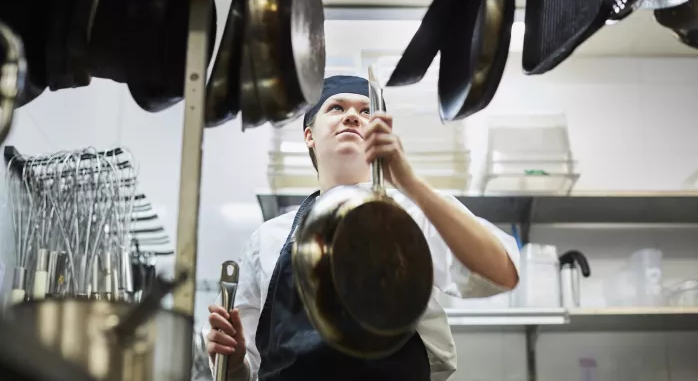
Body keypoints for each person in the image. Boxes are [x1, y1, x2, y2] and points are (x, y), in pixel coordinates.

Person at [203, 75, 520, 381]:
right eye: (336, 108)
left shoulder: (411, 212)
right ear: (309, 135)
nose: (353, 116)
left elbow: (501, 271)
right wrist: (231, 364)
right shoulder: (268, 238)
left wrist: (409, 181)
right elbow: (249, 370)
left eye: (366, 111)